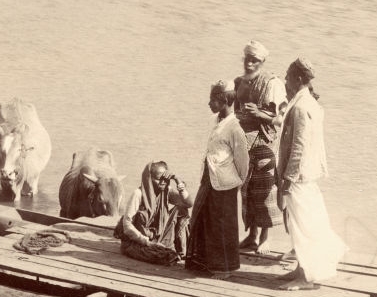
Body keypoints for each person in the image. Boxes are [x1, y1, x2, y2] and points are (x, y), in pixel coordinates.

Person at [275, 58, 346, 291]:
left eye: (287, 77)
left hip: (300, 176)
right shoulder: (307, 102)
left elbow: (299, 147)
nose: (285, 82)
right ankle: (301, 268)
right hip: (306, 175)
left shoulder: (301, 107)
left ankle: (306, 278)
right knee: (300, 223)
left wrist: (288, 179)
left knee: (305, 225)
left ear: (297, 79)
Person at [186, 81, 249, 280]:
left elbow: (242, 160)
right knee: (203, 218)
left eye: (213, 100)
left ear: (224, 101)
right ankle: (205, 261)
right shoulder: (216, 121)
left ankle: (225, 269)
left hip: (225, 182)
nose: (209, 103)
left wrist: (238, 181)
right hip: (210, 178)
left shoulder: (234, 128)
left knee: (223, 226)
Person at [234, 40, 286, 254]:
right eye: (247, 59)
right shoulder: (239, 82)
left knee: (265, 191)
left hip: (265, 143)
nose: (250, 64)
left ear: (262, 61)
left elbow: (280, 118)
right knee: (246, 189)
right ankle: (251, 236)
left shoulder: (272, 83)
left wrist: (259, 114)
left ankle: (265, 238)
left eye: (255, 60)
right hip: (243, 143)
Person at [115, 161, 194, 265]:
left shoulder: (166, 191)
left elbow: (188, 203)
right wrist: (147, 242)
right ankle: (166, 250)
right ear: (149, 178)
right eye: (158, 179)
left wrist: (178, 181)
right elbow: (127, 225)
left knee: (181, 209)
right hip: (140, 240)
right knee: (161, 255)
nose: (162, 183)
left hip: (158, 236)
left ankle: (181, 251)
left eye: (165, 179)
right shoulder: (138, 194)